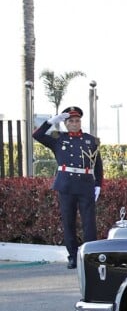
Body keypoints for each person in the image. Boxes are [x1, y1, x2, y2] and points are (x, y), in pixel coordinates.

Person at [33, 106, 103, 269]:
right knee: (68, 222)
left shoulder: (91, 140)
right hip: (66, 185)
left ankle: (89, 257)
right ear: (65, 123)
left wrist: (98, 184)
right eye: (70, 121)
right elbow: (37, 135)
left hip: (86, 184)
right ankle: (72, 256)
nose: (74, 123)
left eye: (77, 120)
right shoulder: (58, 137)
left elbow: (98, 165)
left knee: (89, 223)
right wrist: (52, 121)